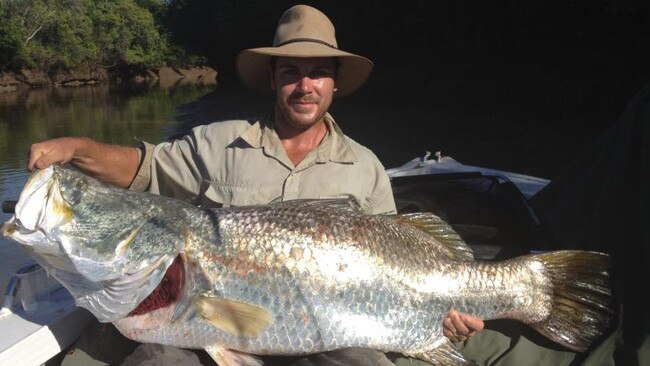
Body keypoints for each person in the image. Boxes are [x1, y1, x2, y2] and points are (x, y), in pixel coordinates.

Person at [28, 5, 483, 366]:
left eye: (318, 72)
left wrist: (442, 318)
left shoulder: (366, 167)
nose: (305, 86)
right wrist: (78, 148)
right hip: (204, 327)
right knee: (157, 360)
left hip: (332, 331)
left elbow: (401, 260)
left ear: (335, 83)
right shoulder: (214, 142)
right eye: (291, 72)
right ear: (272, 78)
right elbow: (143, 169)